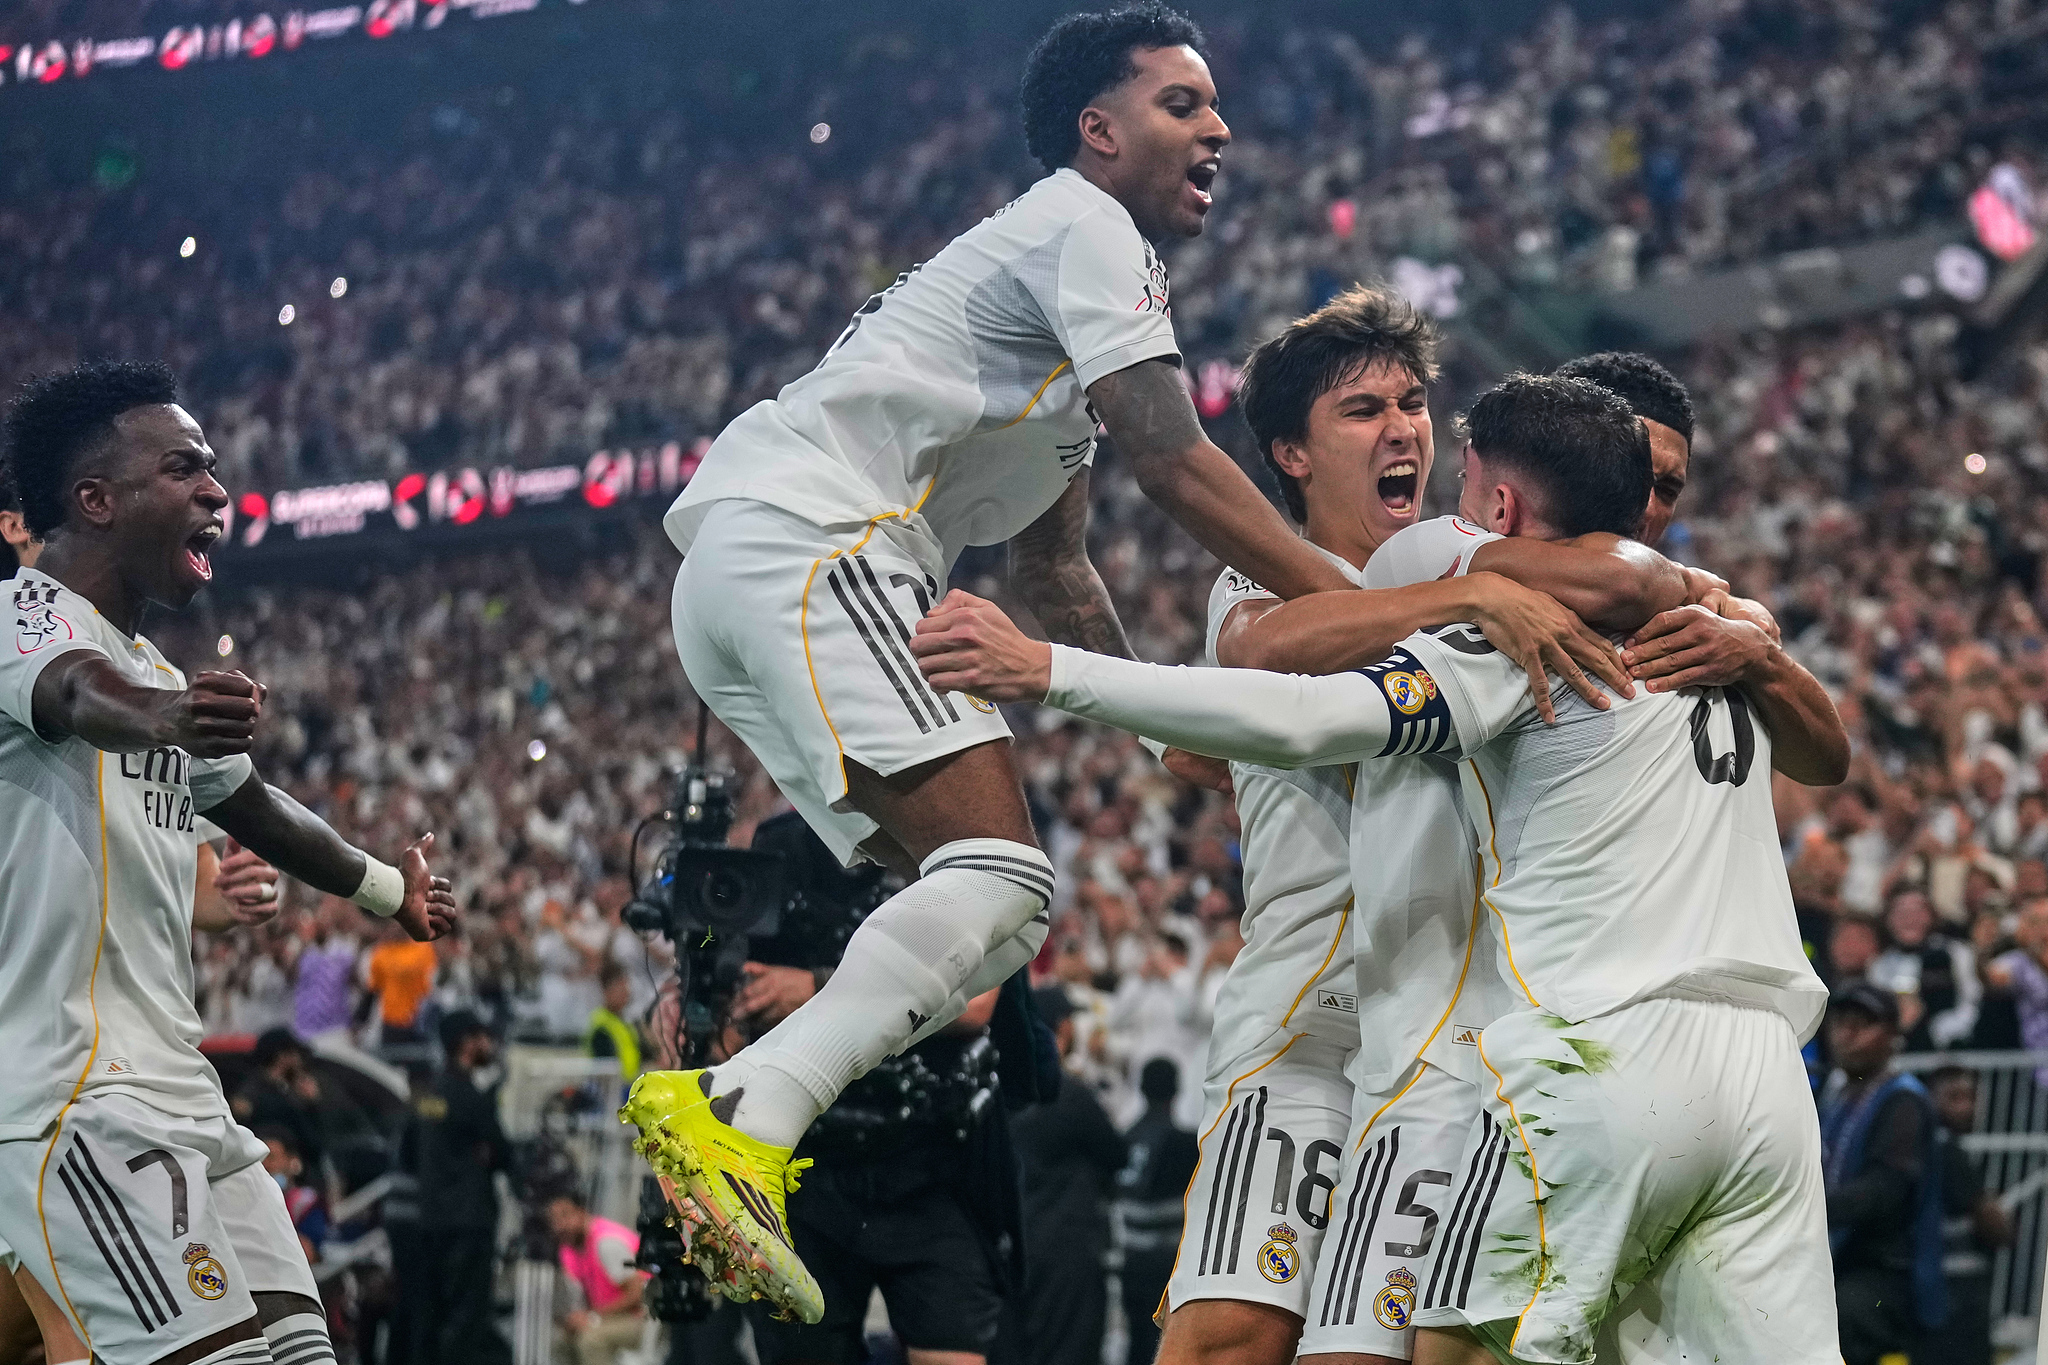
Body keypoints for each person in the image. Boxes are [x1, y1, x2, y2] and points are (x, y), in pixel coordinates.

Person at [617, 2, 1553, 1320]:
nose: (1218, 125)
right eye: (1183, 103)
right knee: (1003, 878)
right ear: (1097, 132)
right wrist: (1381, 608)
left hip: (754, 567)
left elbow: (1054, 572)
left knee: (964, 915)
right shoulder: (1084, 225)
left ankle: (744, 1114)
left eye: (1216, 106)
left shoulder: (1052, 321)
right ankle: (739, 1108)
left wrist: (1153, 733)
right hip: (819, 541)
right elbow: (1178, 459)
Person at [912, 371, 1852, 1364]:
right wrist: (1734, 621)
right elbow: (1268, 655)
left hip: (1572, 1063)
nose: (1656, 510)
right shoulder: (1674, 630)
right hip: (1757, 1072)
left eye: (1673, 487)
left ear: (1493, 499)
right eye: (1645, 484)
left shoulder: (1523, 635)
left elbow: (1306, 714)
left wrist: (1045, 671)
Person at [1157, 292, 1691, 1365]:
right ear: (1290, 457)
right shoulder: (1251, 579)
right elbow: (1267, 653)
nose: (1399, 428)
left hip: (1454, 1040)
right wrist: (1463, 606)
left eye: (1409, 403)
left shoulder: (1467, 546)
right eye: (1360, 412)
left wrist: (1738, 618)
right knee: (1230, 1335)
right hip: (1301, 1032)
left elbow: (1617, 573)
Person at [0, 360, 455, 1365]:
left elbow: (261, 810)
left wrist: (387, 890)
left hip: (181, 1090)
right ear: (96, 500)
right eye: (184, 469)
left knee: (299, 1354)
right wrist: (169, 718)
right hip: (76, 1096)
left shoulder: (153, 665)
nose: (217, 490)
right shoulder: (19, 621)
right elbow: (78, 697)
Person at [1817, 983, 1947, 1365]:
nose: (1847, 1033)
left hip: (1886, 1271)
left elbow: (1884, 1191)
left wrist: (1806, 1206)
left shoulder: (1903, 1100)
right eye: (1840, 1022)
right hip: (1841, 1260)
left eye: (1863, 1024)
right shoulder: (1836, 1095)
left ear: (1893, 1035)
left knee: (1835, 1320)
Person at [1005, 988, 1127, 1365]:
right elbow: (1116, 1154)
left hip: (1006, 1248)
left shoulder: (999, 1092)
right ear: (1061, 1028)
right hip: (1065, 1251)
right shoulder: (1069, 1095)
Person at [393, 1011, 513, 1365]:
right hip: (470, 1221)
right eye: (481, 1037)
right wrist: (481, 1155)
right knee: (467, 1314)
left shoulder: (427, 1095)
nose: (488, 1045)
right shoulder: (470, 1096)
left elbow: (409, 1153)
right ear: (466, 1043)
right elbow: (502, 1153)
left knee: (431, 1310)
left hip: (430, 1219)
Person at [1115, 1058, 1198, 1365]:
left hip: (1131, 1262)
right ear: (1177, 1091)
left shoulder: (1126, 1137)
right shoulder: (1186, 1144)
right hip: (1167, 1268)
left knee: (1136, 1345)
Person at [1928, 1066, 2012, 1365]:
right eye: (1954, 1097)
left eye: (1971, 1097)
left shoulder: (1929, 1144)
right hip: (1957, 1290)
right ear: (1931, 1098)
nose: (1967, 1107)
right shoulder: (1945, 1149)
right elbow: (1995, 1226)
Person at [541, 1190, 646, 1365]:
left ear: (582, 1212)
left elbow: (637, 1295)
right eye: (554, 1220)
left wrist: (591, 1316)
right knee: (562, 1342)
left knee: (591, 1341)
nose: (560, 1225)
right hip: (610, 1317)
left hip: (641, 1319)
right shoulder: (569, 1249)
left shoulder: (606, 1243)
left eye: (565, 1215)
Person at [230, 1031, 327, 1181]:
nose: (298, 1059)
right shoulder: (253, 1094)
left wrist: (311, 1105)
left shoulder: (287, 1090)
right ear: (281, 1056)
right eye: (294, 1053)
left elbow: (315, 1142)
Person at [254, 1131, 327, 1268]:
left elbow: (307, 1253)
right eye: (261, 1159)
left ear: (292, 1161)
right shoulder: (251, 1202)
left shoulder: (307, 1202)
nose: (266, 1165)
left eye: (272, 1158)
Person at [585, 965, 643, 1084]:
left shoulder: (623, 1021)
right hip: (611, 1088)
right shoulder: (601, 1024)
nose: (627, 993)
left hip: (629, 1084)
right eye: (621, 988)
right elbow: (605, 1066)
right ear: (607, 991)